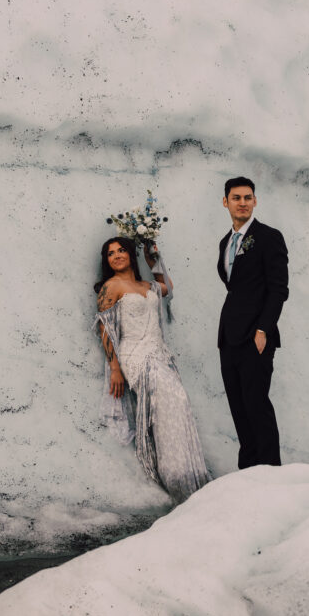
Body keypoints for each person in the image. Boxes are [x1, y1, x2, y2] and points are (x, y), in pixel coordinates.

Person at [94, 236, 209, 503]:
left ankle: (188, 474)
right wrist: (115, 368)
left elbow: (167, 286)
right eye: (111, 254)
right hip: (135, 357)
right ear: (107, 261)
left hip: (159, 354)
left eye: (122, 250)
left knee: (176, 406)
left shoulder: (147, 285)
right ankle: (176, 479)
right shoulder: (110, 287)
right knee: (173, 399)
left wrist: (152, 259)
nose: (117, 256)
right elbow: (104, 328)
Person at [217, 177, 289, 468]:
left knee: (257, 405)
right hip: (228, 337)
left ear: (255, 201)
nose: (243, 203)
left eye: (248, 197)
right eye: (236, 198)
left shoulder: (269, 236)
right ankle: (247, 473)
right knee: (238, 408)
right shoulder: (226, 242)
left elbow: (278, 289)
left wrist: (263, 330)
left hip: (255, 336)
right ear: (226, 202)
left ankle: (271, 471)